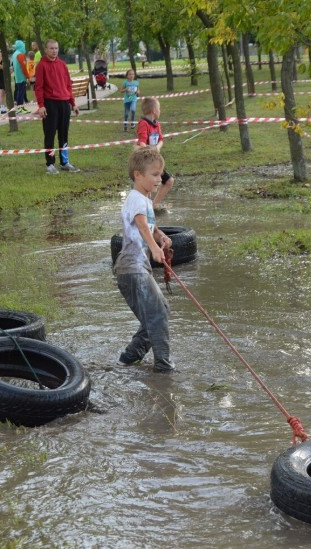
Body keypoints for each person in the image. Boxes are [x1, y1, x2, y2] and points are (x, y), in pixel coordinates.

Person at [114, 146, 175, 373]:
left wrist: (160, 236)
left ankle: (130, 357)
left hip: (135, 269)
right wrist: (153, 248)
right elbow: (140, 224)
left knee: (160, 311)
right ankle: (163, 367)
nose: (159, 180)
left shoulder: (145, 200)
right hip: (132, 269)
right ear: (138, 175)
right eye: (154, 175)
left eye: (161, 174)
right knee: (158, 314)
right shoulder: (136, 199)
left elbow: (148, 224)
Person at [35, 39, 80, 174]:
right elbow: (39, 88)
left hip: (64, 104)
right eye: (51, 48)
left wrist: (73, 103)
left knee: (63, 134)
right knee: (50, 135)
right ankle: (50, 164)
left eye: (56, 48)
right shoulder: (41, 65)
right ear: (46, 49)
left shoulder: (62, 64)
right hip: (50, 104)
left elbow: (68, 86)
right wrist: (41, 105)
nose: (54, 51)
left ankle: (64, 162)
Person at [135, 97, 175, 209]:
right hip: (146, 161)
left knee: (168, 181)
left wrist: (157, 147)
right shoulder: (143, 123)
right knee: (149, 185)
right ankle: (145, 208)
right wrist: (149, 150)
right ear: (154, 110)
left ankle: (153, 205)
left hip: (156, 160)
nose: (160, 111)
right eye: (159, 108)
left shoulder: (157, 124)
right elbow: (141, 142)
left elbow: (161, 140)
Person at [11, 40, 31, 111]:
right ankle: (20, 108)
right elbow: (24, 67)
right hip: (22, 77)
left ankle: (20, 107)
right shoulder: (20, 55)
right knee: (21, 92)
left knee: (20, 92)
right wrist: (28, 76)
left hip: (17, 76)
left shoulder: (14, 54)